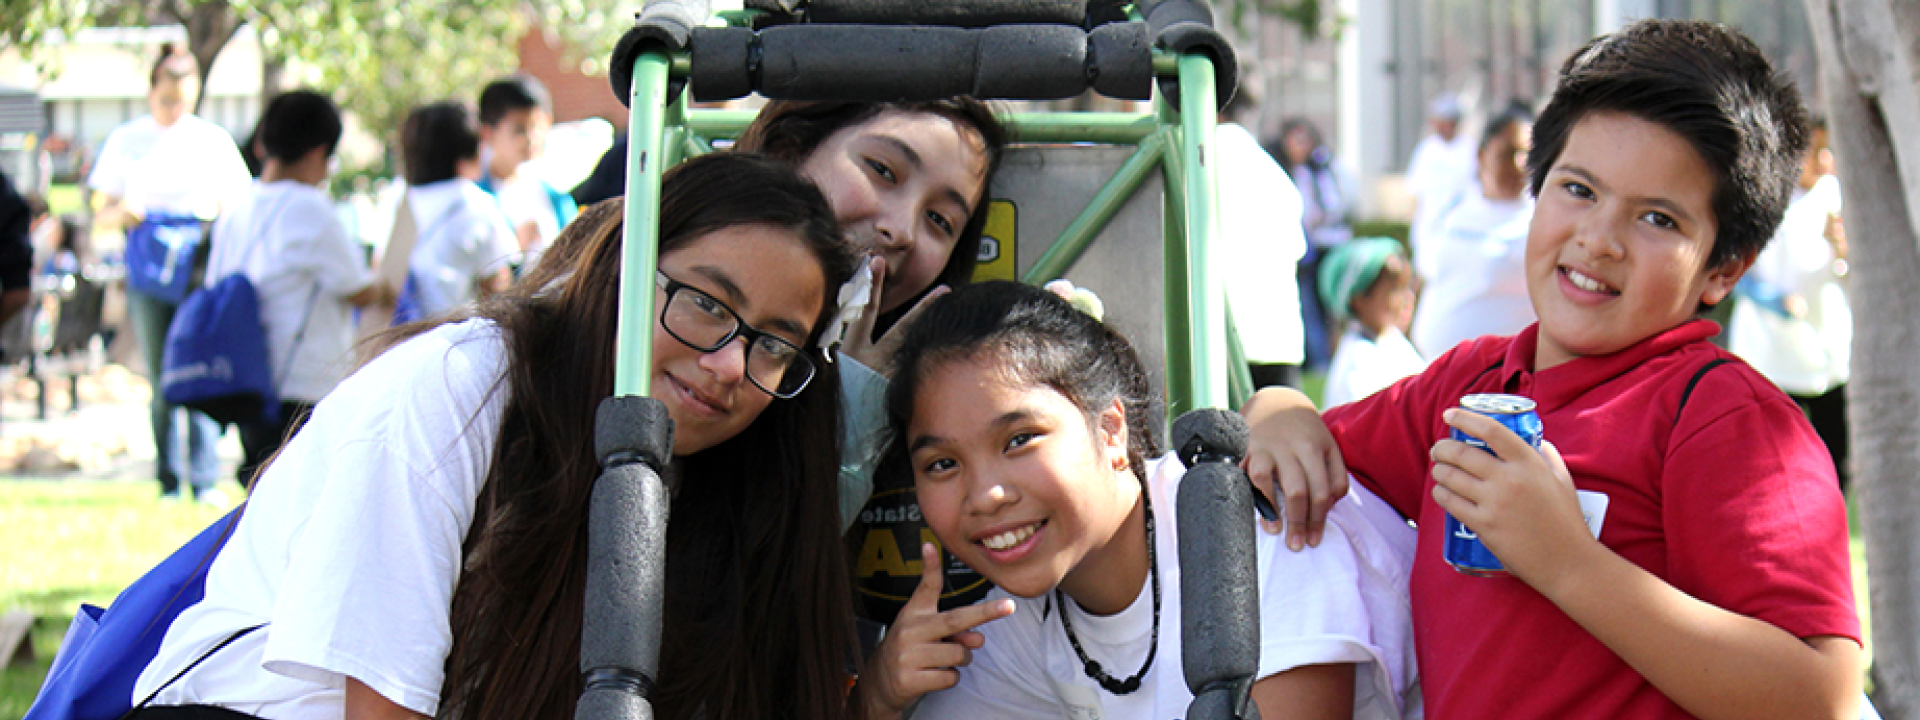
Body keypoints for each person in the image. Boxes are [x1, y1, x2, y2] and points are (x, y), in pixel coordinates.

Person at [1239, 19, 1862, 719]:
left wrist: (1569, 562)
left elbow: (1822, 696)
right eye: (1579, 190)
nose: (1598, 239)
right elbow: (1316, 436)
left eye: (1657, 219)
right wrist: (1277, 414)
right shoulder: (1469, 384)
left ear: (1724, 268)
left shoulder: (1725, 420)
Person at [133, 153, 862, 720]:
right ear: (622, 269)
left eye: (772, 344)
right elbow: (381, 709)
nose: (729, 364)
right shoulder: (457, 386)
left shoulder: (715, 472)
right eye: (706, 303)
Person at [859, 281, 1417, 720]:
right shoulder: (1021, 619)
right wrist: (878, 696)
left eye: (1019, 440)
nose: (986, 495)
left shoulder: (1253, 524)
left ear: (1110, 431)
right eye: (942, 465)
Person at [204, 90, 395, 488]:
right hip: (303, 379)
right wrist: (387, 280)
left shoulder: (237, 208)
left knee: (259, 487)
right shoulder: (312, 209)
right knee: (301, 492)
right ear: (317, 152)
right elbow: (357, 290)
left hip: (246, 375)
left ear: (263, 143)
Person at [87, 44, 251, 503]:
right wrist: (125, 212)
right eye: (167, 99)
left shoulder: (211, 139)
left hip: (199, 268)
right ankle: (168, 479)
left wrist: (213, 208)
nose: (175, 109)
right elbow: (99, 209)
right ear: (151, 92)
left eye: (184, 99)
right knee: (161, 378)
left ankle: (202, 479)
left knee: (200, 367)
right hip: (149, 273)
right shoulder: (127, 139)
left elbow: (241, 201)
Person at [1728, 118, 1850, 488]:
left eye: (1827, 151)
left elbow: (1853, 272)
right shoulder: (1761, 201)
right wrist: (1772, 300)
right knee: (1771, 461)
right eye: (1814, 151)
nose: (1822, 160)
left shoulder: (1838, 196)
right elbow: (1731, 273)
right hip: (1770, 356)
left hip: (1828, 351)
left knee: (1833, 461)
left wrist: (1843, 247)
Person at [1408, 106, 1536, 357]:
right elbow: (1425, 277)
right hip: (1433, 369)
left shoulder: (1543, 221)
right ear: (1482, 155)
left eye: (1526, 154)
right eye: (1507, 153)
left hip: (1498, 379)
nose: (1518, 164)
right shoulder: (1453, 210)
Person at [1217, 94, 1308, 390]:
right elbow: (1299, 248)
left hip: (1224, 338)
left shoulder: (1199, 155)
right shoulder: (1270, 168)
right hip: (1279, 336)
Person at [396, 102, 518, 320]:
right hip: (452, 337)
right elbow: (497, 289)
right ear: (467, 153)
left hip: (401, 340)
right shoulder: (476, 204)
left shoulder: (397, 201)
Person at [476, 75, 577, 267]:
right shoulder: (475, 200)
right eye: (519, 130)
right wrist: (514, 250)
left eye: (537, 127)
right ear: (488, 133)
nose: (531, 138)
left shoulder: (553, 194)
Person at [1275, 118, 1351, 371]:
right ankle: (1318, 360)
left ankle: (1333, 359)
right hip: (1309, 250)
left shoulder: (1323, 168)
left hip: (1330, 245)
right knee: (1310, 308)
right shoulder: (1289, 170)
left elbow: (1333, 205)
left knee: (1334, 309)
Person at [1318, 238, 1423, 407]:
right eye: (1394, 291)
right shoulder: (1357, 361)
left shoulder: (1393, 340)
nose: (1407, 300)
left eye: (1408, 288)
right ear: (1359, 300)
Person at [1405, 92, 1478, 285]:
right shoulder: (1426, 150)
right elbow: (1414, 192)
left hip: (1460, 230)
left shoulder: (1470, 149)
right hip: (1429, 230)